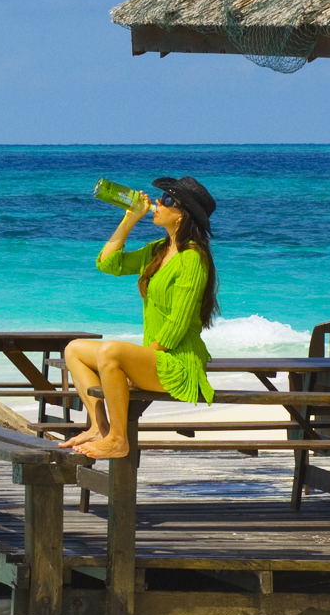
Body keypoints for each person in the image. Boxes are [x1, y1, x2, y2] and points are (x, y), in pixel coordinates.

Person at [63, 175, 220, 459]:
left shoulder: (193, 258)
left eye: (168, 200)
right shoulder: (157, 252)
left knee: (111, 351)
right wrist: (129, 220)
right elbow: (108, 263)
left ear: (183, 216)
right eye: (161, 197)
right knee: (74, 349)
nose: (158, 202)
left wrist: (142, 360)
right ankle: (100, 428)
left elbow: (178, 323)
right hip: (155, 357)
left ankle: (119, 440)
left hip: (178, 364)